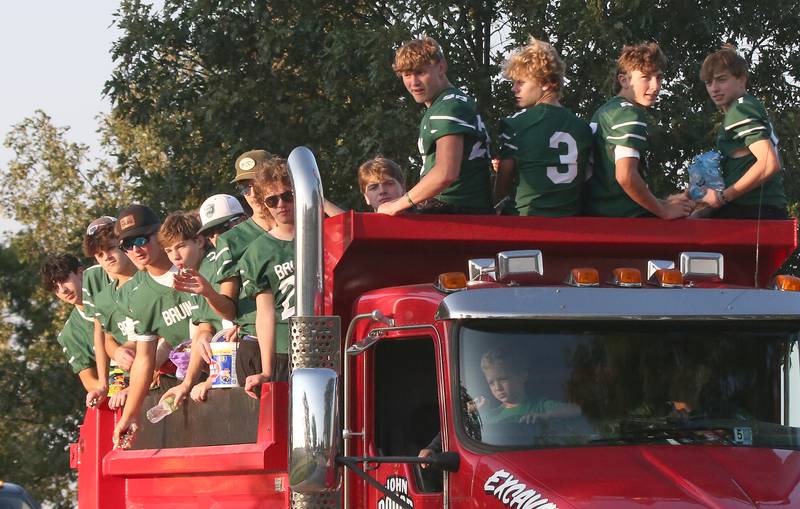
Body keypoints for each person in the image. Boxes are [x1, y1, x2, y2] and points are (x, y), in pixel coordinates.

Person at [111, 204, 196, 449]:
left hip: (222, 376)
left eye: (141, 239)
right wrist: (129, 414)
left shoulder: (189, 260)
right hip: (179, 385)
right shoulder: (137, 294)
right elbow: (143, 360)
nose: (135, 250)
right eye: (127, 245)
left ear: (159, 234)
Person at [378, 36, 492, 215]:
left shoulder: (448, 107)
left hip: (453, 211)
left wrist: (398, 204)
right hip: (468, 210)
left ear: (441, 67)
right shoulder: (456, 101)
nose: (413, 82)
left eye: (420, 72)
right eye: (407, 75)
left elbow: (446, 172)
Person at [585, 43, 693, 219]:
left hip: (600, 215)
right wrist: (663, 210)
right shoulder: (628, 113)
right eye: (645, 77)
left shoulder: (606, 110)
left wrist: (663, 202)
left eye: (658, 77)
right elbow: (625, 176)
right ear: (624, 80)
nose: (655, 85)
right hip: (624, 221)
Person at [495, 38, 593, 216]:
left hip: (526, 221)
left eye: (520, 82)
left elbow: (502, 188)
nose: (514, 89)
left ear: (547, 82)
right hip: (570, 224)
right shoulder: (583, 128)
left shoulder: (517, 123)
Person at [697, 45, 787, 219]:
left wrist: (722, 198)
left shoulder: (741, 109)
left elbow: (769, 163)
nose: (714, 88)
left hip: (753, 211)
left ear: (741, 79)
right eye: (709, 83)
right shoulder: (746, 106)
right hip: (765, 209)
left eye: (721, 79)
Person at [238, 155, 297, 396]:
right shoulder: (258, 252)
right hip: (284, 349)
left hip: (329, 344)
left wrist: (317, 199)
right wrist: (266, 369)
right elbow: (265, 313)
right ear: (264, 204)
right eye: (272, 200)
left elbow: (352, 226)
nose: (281, 204)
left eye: (288, 195)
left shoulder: (327, 233)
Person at [82, 216, 139, 410]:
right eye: (99, 254)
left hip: (169, 373)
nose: (107, 257)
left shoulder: (150, 278)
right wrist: (103, 384)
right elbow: (106, 337)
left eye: (111, 248)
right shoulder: (103, 298)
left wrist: (138, 384)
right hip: (131, 381)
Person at [40, 254, 105, 394]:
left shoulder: (109, 279)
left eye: (64, 280)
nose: (63, 290)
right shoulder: (69, 334)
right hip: (120, 393)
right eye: (55, 288)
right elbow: (89, 382)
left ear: (80, 272)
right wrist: (115, 387)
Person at [477, 347, 580, 424]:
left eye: (503, 379)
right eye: (491, 383)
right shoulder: (490, 416)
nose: (497, 388)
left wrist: (545, 416)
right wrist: (477, 412)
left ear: (522, 376)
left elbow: (576, 410)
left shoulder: (539, 406)